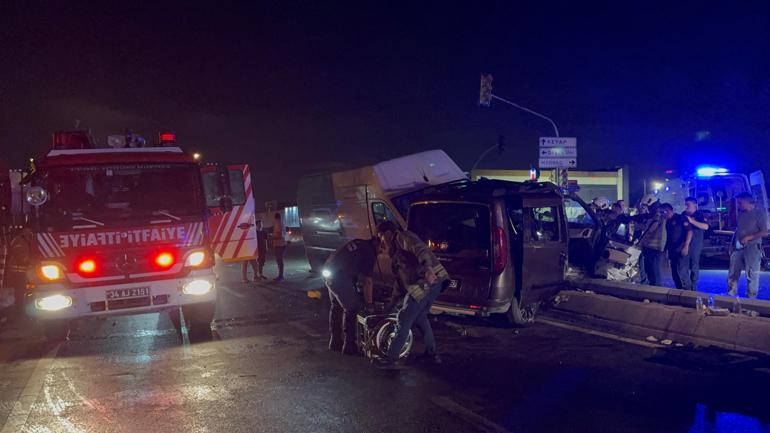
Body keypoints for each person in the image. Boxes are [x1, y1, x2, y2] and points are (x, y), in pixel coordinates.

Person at [376, 221, 449, 368]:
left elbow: (421, 250)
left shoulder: (403, 237)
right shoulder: (395, 252)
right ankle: (432, 354)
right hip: (433, 284)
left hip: (427, 282)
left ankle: (391, 360)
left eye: (381, 236)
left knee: (404, 317)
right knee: (420, 317)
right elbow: (400, 283)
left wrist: (428, 269)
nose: (381, 240)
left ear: (389, 233)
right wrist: (391, 305)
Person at [322, 237, 379, 355]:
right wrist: (369, 304)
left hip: (329, 271)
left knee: (336, 306)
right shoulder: (370, 252)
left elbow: (340, 255)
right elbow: (368, 282)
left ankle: (335, 341)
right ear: (377, 245)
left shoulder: (358, 242)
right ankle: (349, 346)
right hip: (339, 277)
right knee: (352, 308)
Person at [727, 192, 768, 298]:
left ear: (747, 201)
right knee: (733, 273)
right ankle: (731, 297)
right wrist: (732, 245)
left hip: (752, 248)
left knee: (752, 274)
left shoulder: (759, 214)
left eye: (740, 202)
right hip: (738, 248)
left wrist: (749, 237)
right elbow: (738, 230)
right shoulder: (742, 214)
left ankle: (751, 300)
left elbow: (765, 232)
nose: (739, 204)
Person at [662, 203, 692, 290]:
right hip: (672, 250)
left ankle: (688, 293)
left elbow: (689, 232)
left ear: (669, 211)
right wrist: (665, 250)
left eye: (664, 212)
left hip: (681, 249)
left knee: (682, 271)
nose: (663, 215)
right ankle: (679, 291)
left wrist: (686, 245)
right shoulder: (667, 222)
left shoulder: (680, 218)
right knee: (674, 272)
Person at [637, 198, 666, 286]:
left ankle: (657, 292)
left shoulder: (658, 214)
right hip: (649, 247)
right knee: (650, 270)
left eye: (647, 207)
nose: (647, 209)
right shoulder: (655, 215)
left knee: (654, 271)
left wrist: (642, 227)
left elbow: (650, 229)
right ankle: (652, 290)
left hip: (654, 247)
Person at [682, 197, 709, 290]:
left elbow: (705, 227)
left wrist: (692, 221)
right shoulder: (683, 215)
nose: (686, 207)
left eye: (688, 205)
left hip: (695, 244)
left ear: (695, 205)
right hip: (683, 243)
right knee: (683, 265)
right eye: (685, 204)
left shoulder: (699, 215)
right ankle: (686, 285)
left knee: (694, 265)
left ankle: (693, 286)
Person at [272, 212, 286, 282]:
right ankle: (280, 276)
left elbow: (279, 236)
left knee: (279, 261)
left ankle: (281, 277)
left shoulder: (278, 224)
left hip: (279, 245)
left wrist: (272, 237)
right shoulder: (282, 223)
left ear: (275, 218)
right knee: (279, 261)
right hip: (281, 244)